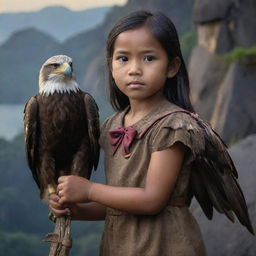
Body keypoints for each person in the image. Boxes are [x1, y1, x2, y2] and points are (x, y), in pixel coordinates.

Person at [49, 10, 252, 256]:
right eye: (123, 58)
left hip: (164, 245)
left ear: (172, 66)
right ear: (110, 65)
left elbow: (151, 200)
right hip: (121, 246)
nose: (134, 69)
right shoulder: (113, 125)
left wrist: (89, 190)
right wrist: (77, 209)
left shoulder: (173, 126)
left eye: (148, 58)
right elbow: (117, 205)